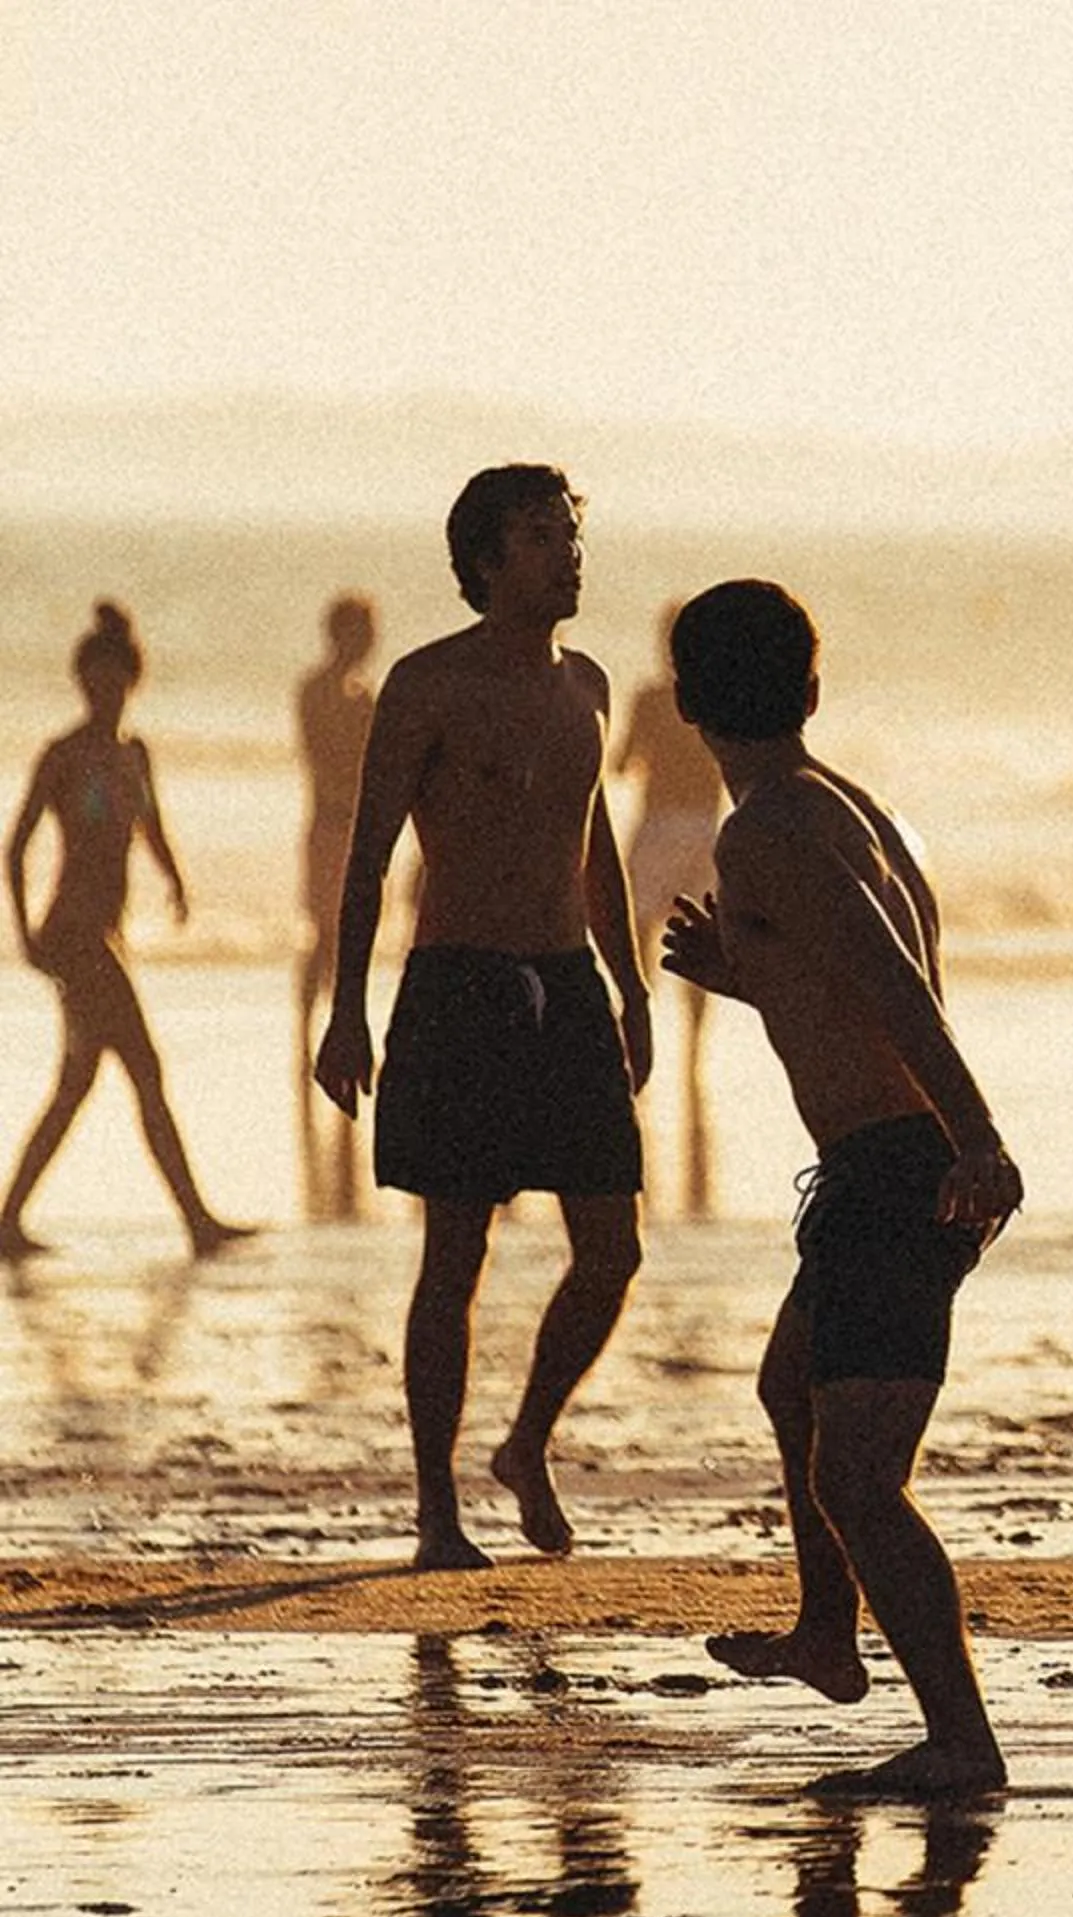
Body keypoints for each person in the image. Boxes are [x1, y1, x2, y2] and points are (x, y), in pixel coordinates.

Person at [659, 579, 1018, 1797]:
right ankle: (827, 1631)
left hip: (903, 1169)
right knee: (790, 1388)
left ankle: (961, 1741)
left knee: (861, 1475)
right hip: (881, 1165)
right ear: (809, 691)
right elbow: (851, 978)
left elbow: (891, 979)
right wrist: (747, 969)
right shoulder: (843, 806)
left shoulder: (766, 829)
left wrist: (976, 1134)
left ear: (685, 704)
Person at [312, 465, 652, 1572]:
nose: (568, 552)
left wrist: (634, 985)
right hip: (458, 985)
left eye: (570, 532)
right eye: (543, 536)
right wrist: (345, 1012)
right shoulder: (427, 685)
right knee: (454, 1254)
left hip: (571, 986)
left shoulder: (590, 685)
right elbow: (367, 858)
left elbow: (592, 842)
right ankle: (434, 1510)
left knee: (612, 1248)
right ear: (487, 561)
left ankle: (525, 1441)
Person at [0, 602, 255, 1260]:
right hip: (73, 937)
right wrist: (25, 934)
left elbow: (151, 825)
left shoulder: (133, 754)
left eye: (115, 679)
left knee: (76, 1084)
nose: (105, 690)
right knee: (144, 1068)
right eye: (94, 679)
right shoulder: (64, 754)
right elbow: (16, 845)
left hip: (107, 936)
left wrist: (175, 880)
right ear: (81, 682)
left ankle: (8, 1219)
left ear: (130, 682)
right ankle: (197, 1221)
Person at [615, 603, 728, 1212]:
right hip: (705, 826)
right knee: (701, 940)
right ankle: (692, 1054)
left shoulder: (653, 698)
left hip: (661, 823)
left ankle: (639, 1035)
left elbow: (623, 762)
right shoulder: (717, 698)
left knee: (641, 934)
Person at [295, 593, 380, 1215]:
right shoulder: (321, 692)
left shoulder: (361, 694)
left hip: (355, 826)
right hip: (330, 824)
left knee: (345, 935)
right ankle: (304, 1033)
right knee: (324, 933)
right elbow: (328, 759)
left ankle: (328, 1024)